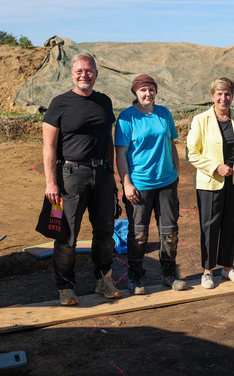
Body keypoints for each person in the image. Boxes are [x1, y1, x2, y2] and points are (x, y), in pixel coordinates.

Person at [42, 52, 122, 306]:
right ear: (72, 74)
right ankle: (66, 287)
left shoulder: (104, 102)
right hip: (70, 176)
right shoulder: (60, 103)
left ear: (96, 74)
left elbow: (108, 140)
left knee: (105, 233)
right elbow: (48, 147)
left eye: (89, 71)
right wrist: (51, 182)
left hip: (101, 174)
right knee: (67, 235)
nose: (84, 75)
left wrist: (111, 176)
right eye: (79, 71)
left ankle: (104, 281)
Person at [115, 74, 186, 295]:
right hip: (140, 184)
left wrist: (175, 171)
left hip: (166, 182)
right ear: (135, 93)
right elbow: (121, 152)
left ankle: (169, 273)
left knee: (170, 231)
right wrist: (126, 183)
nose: (148, 94)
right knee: (138, 233)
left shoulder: (164, 113)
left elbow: (171, 143)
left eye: (151, 90)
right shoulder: (127, 118)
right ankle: (136, 277)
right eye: (143, 90)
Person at [186, 77, 234, 289]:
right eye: (219, 94)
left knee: (231, 225)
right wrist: (216, 167)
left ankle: (227, 268)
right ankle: (207, 271)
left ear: (232, 96)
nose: (223, 98)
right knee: (210, 226)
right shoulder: (201, 120)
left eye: (227, 94)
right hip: (211, 182)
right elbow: (192, 153)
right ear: (212, 96)